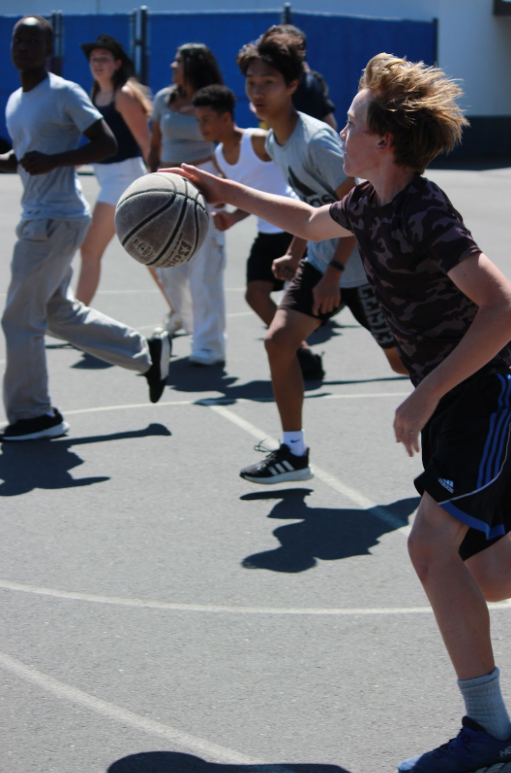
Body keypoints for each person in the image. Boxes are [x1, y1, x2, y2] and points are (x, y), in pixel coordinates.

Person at [175, 52, 511, 773]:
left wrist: (425, 392)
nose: (339, 127)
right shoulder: (367, 201)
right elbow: (304, 217)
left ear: (382, 140)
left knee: (429, 547)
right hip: (455, 398)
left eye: (350, 120)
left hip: (486, 393)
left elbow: (502, 307)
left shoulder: (424, 210)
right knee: (486, 574)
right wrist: (213, 181)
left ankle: (488, 732)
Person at [169, 29, 403, 483]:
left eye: (269, 82)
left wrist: (334, 273)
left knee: (404, 363)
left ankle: (480, 409)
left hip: (364, 271)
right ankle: (293, 453)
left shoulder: (316, 141)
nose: (257, 91)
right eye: (252, 82)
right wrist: (299, 251)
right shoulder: (275, 140)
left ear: (293, 85)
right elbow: (314, 206)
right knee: (278, 342)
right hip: (321, 262)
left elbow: (360, 208)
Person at [0, 16, 171, 441]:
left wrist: (55, 161)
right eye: (18, 40)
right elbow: (23, 157)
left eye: (33, 41)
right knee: (56, 311)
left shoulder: (65, 91)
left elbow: (107, 142)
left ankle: (35, 415)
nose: (24, 47)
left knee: (19, 318)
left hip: (54, 218)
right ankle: (146, 353)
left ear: (48, 50)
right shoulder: (16, 100)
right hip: (39, 215)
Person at [192, 83, 322, 380]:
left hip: (294, 227)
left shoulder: (260, 142)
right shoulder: (219, 158)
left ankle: (299, 351)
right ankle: (300, 350)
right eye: (198, 121)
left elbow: (298, 171)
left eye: (206, 120)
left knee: (307, 299)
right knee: (255, 295)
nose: (201, 127)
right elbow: (252, 200)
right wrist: (233, 218)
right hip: (267, 231)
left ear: (226, 117)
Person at [148, 43, 227, 366]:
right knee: (166, 266)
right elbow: (154, 144)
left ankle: (209, 346)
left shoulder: (213, 101)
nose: (172, 65)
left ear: (194, 66)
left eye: (178, 61)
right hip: (166, 187)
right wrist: (148, 182)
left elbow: (226, 145)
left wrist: (221, 190)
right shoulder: (163, 99)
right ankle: (185, 321)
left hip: (203, 184)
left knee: (204, 271)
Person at [76, 34, 151, 306]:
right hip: (109, 177)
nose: (97, 64)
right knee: (152, 253)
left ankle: (75, 317)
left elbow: (146, 143)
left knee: (90, 250)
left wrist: (158, 185)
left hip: (126, 178)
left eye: (103, 59)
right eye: (93, 59)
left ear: (117, 64)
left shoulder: (124, 95)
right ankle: (182, 312)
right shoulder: (96, 93)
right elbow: (97, 144)